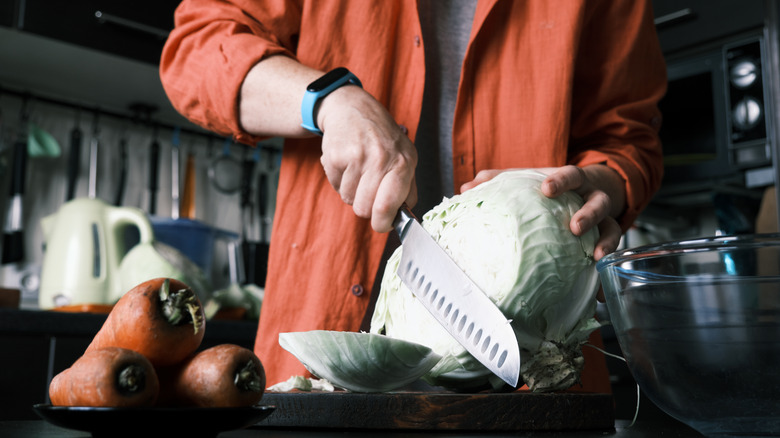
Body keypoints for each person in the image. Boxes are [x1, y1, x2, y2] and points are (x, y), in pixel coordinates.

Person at [160, 0, 667, 393]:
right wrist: (326, 98)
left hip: (534, 368)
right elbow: (198, 48)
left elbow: (628, 136)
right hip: (327, 346)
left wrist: (608, 182)